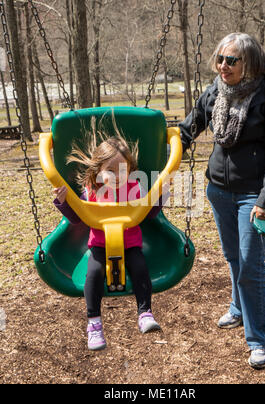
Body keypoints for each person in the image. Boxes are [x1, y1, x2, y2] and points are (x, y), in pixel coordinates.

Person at [179, 33, 265, 369]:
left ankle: (259, 342)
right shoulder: (215, 90)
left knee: (250, 266)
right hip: (218, 191)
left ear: (250, 63)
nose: (223, 66)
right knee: (232, 257)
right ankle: (240, 309)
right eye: (220, 59)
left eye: (231, 60)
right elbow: (189, 127)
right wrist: (160, 150)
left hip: (252, 196)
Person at [53, 127, 166, 351]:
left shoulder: (136, 189)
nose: (117, 176)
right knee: (93, 274)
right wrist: (64, 202)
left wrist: (161, 194)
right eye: (110, 171)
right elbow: (77, 218)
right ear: (98, 171)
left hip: (131, 244)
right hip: (99, 245)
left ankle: (145, 312)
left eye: (123, 170)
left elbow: (150, 214)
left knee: (140, 269)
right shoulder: (91, 192)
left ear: (131, 170)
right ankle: (94, 323)